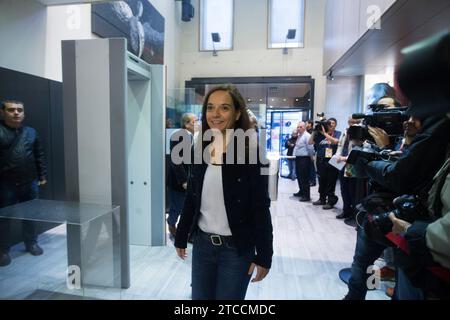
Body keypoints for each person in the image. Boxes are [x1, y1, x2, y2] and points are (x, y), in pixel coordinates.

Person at [174, 85, 273, 300]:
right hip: (202, 246)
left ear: (237, 113)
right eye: (210, 107)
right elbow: (192, 198)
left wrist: (265, 254)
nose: (215, 114)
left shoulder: (251, 153)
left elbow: (260, 207)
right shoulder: (199, 149)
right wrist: (181, 235)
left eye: (224, 107)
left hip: (236, 250)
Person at [0, 100, 47, 267]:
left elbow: (38, 155)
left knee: (31, 215)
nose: (16, 113)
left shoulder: (31, 132)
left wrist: (42, 176)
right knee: (3, 218)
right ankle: (3, 250)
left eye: (20, 110)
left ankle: (31, 243)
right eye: (11, 110)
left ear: (24, 113)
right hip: (6, 184)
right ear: (2, 112)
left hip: (30, 182)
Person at [167, 113, 198, 238]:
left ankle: (184, 230)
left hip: (188, 180)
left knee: (186, 207)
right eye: (195, 121)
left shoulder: (191, 136)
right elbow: (176, 161)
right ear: (186, 124)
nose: (197, 123)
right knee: (177, 206)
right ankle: (171, 225)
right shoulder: (180, 136)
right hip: (178, 181)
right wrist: (184, 180)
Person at [308, 117, 341, 209]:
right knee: (322, 181)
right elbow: (310, 142)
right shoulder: (319, 134)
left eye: (332, 123)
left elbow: (335, 142)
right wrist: (314, 132)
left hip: (333, 161)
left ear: (335, 125)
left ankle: (330, 201)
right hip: (321, 160)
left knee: (331, 182)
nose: (330, 125)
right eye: (329, 123)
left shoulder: (338, 133)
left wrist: (325, 133)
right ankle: (322, 199)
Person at [292, 122, 314, 202]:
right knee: (299, 176)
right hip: (299, 159)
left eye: (300, 127)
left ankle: (306, 195)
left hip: (304, 159)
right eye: (298, 127)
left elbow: (310, 148)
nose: (298, 128)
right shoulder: (299, 136)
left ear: (304, 127)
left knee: (304, 178)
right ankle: (301, 191)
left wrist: (311, 157)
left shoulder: (307, 136)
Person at [305, 120, 317, 186]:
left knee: (311, 167)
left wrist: (312, 154)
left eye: (306, 123)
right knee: (309, 167)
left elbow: (312, 143)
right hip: (307, 152)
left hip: (312, 151)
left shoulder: (313, 132)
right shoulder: (306, 131)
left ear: (310, 124)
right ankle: (310, 180)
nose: (305, 125)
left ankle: (313, 181)